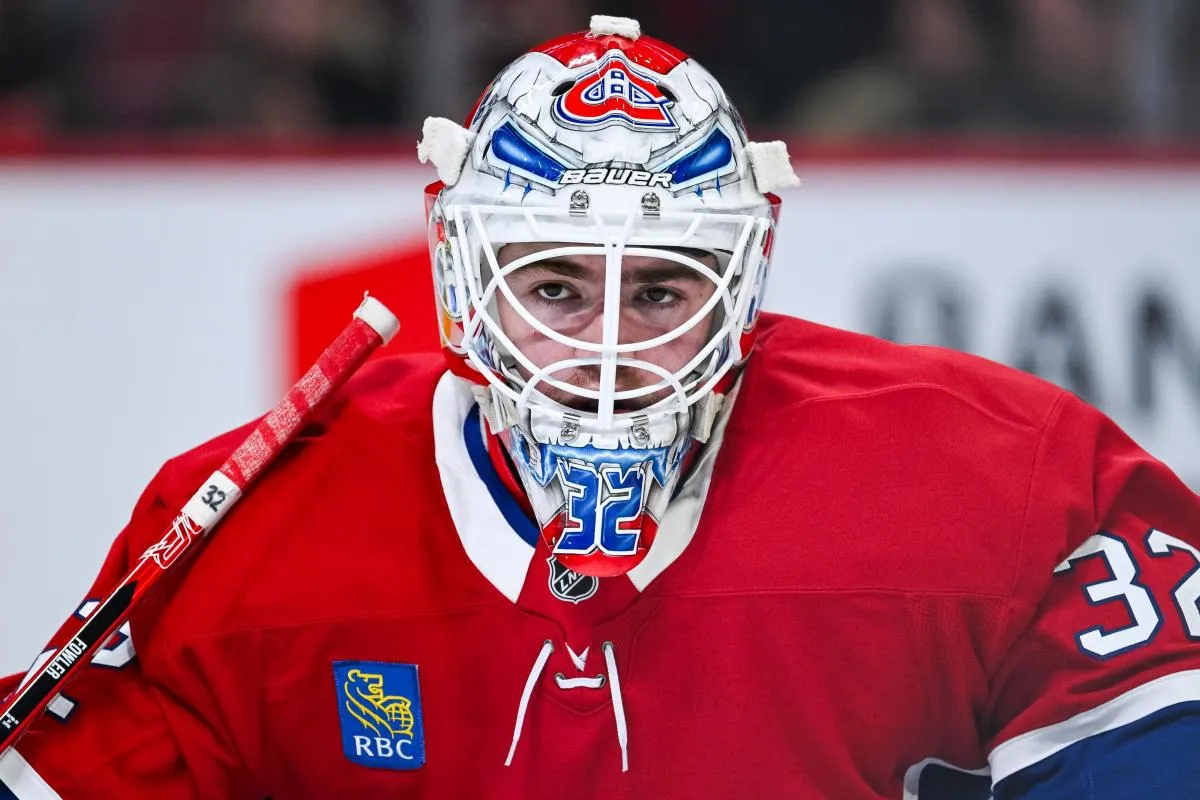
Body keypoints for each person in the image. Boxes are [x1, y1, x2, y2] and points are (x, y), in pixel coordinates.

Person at [2, 14, 1199, 800]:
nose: (612, 347)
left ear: (746, 277)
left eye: (665, 286)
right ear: (462, 273)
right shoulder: (253, 531)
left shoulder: (996, 478)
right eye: (558, 284)